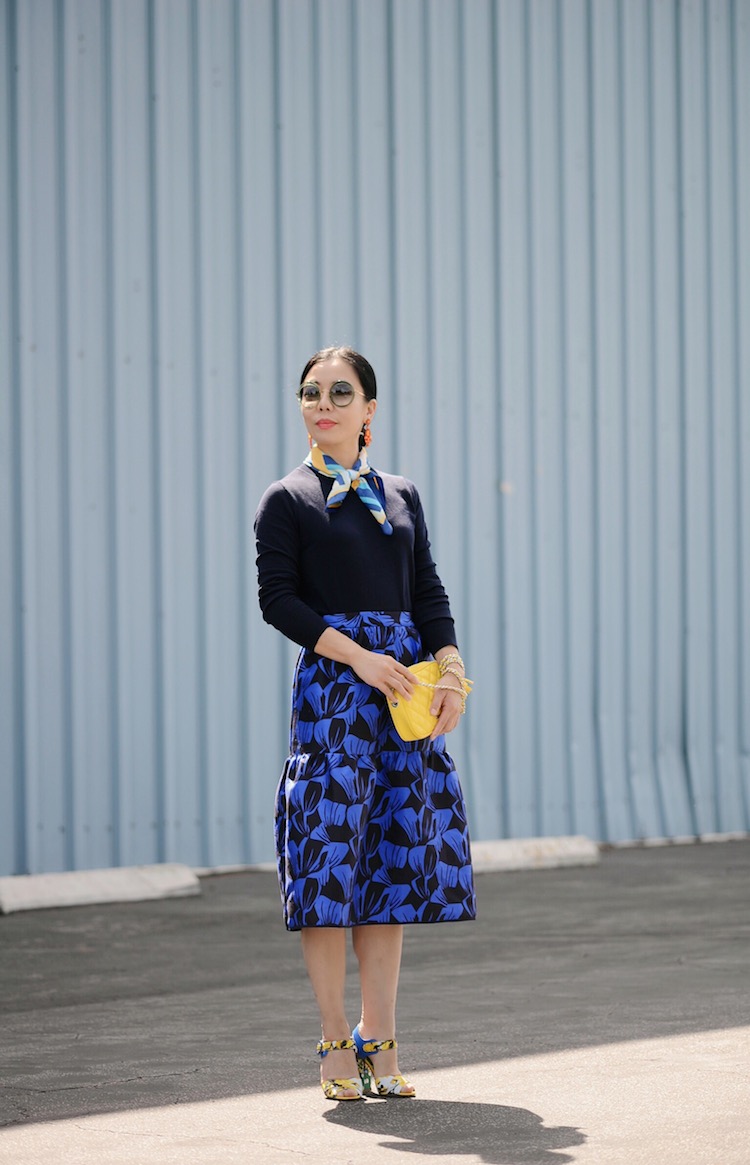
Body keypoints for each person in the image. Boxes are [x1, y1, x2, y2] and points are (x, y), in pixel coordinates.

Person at [254, 346, 476, 1102]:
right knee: (327, 865)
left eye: (340, 392)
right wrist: (360, 659)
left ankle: (379, 1036)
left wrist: (450, 669)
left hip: (401, 700)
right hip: (334, 698)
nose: (324, 402)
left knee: (390, 863)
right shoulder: (286, 498)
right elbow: (278, 601)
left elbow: (428, 590)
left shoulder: (402, 493)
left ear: (369, 409)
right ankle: (331, 1039)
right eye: (311, 392)